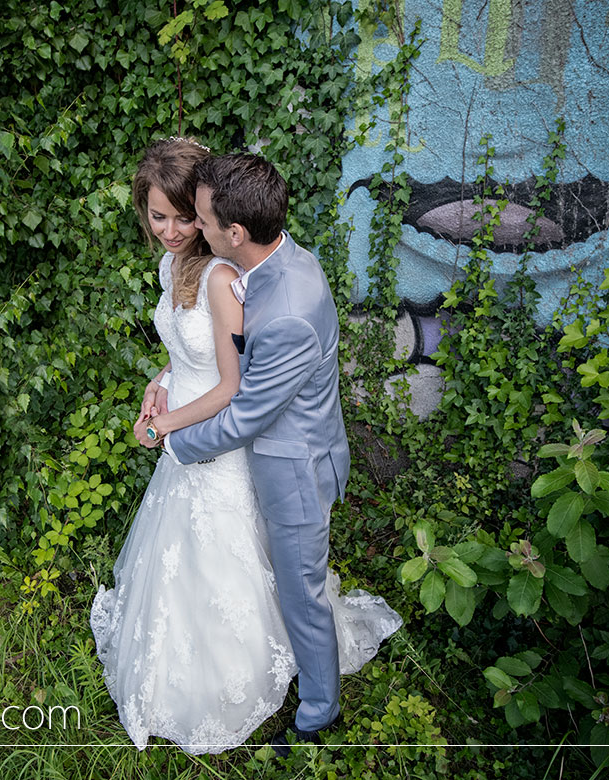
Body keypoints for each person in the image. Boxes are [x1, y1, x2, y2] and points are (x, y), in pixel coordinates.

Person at [90, 139, 401, 754]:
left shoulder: (280, 307)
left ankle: (317, 716)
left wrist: (168, 438)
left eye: (200, 219)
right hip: (244, 440)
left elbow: (242, 414)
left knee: (300, 590)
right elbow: (200, 356)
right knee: (263, 574)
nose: (190, 230)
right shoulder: (276, 258)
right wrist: (163, 385)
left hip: (291, 466)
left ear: (234, 231)